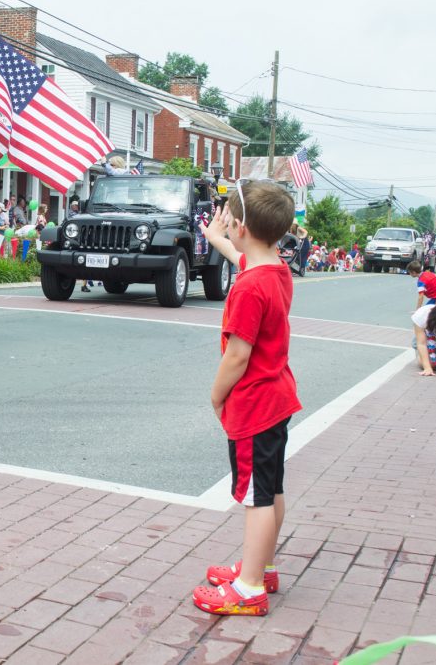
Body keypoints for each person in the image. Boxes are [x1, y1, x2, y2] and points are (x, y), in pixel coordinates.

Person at [193, 180, 302, 617]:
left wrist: (217, 395)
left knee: (257, 496)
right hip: (278, 397)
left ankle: (249, 587)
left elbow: (238, 354)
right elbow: (245, 257)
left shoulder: (248, 288)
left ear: (240, 224)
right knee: (271, 487)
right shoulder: (274, 270)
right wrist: (216, 238)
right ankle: (263, 567)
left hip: (254, 402)